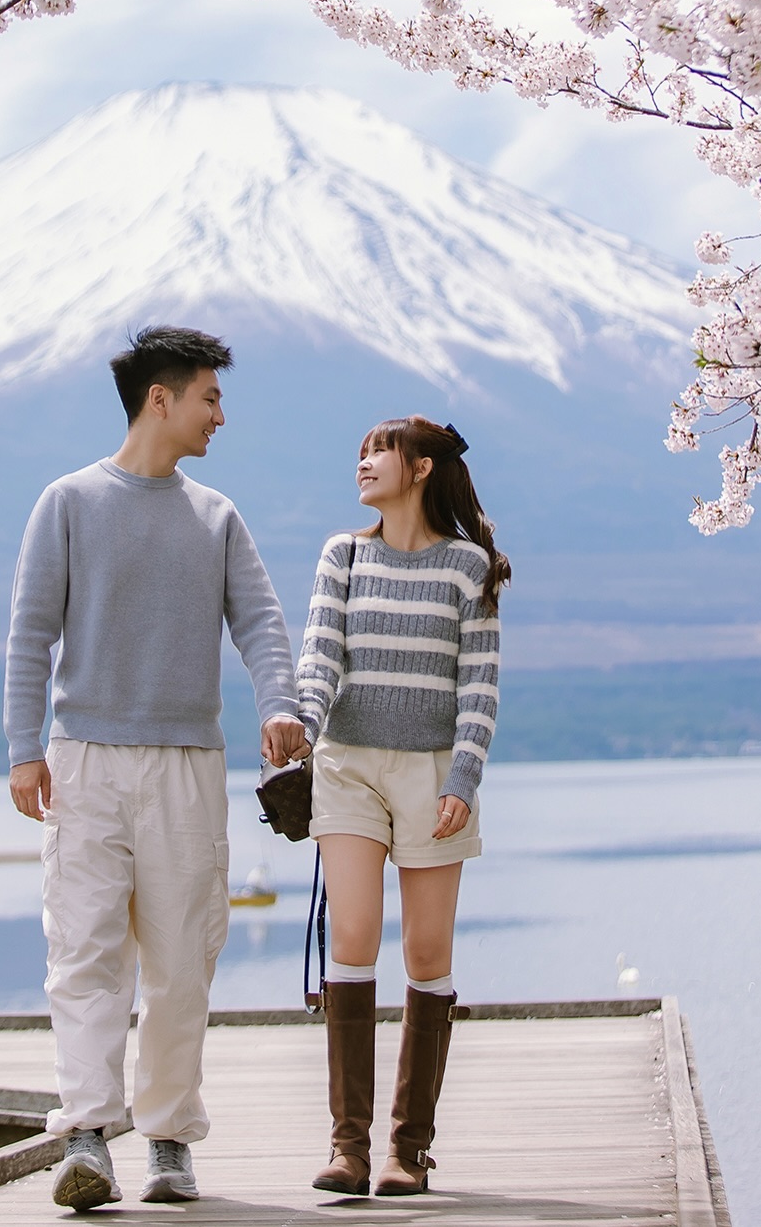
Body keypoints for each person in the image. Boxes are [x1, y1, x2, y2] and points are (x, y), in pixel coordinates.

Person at [4, 325, 307, 1213]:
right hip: (84, 761)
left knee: (183, 959)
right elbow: (30, 633)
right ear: (161, 399)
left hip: (187, 761)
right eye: (210, 397)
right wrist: (25, 749)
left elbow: (260, 619)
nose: (221, 415)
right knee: (85, 951)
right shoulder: (66, 502)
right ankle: (90, 1136)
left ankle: (170, 1140)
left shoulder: (215, 515)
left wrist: (279, 704)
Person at [296, 415, 506, 1198]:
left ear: (419, 468)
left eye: (376, 452)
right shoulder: (342, 555)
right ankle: (348, 1147)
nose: (362, 464)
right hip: (346, 767)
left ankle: (407, 1150)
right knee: (351, 935)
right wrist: (300, 723)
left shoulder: (469, 566)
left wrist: (462, 781)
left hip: (431, 776)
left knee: (426, 954)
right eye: (358, 453)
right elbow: (320, 654)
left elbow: (479, 687)